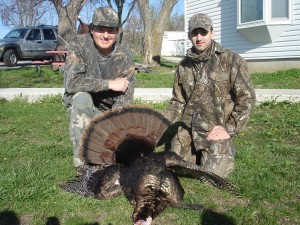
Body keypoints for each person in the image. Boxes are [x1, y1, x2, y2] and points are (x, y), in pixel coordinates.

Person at [165, 13, 256, 178]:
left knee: (214, 175)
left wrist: (228, 129)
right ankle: (196, 154)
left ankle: (224, 147)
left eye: (203, 32)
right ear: (189, 35)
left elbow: (247, 99)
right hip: (189, 130)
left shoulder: (232, 60)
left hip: (215, 131)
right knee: (173, 166)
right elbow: (178, 101)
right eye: (194, 33)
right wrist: (160, 123)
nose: (199, 37)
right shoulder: (183, 66)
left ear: (212, 33)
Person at [63, 7, 136, 169]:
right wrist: (109, 84)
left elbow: (124, 100)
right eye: (100, 29)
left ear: (117, 32)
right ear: (92, 29)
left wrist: (114, 129)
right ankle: (83, 165)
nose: (105, 35)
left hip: (108, 112)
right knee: (82, 97)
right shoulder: (78, 44)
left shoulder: (124, 56)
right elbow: (72, 83)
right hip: (83, 107)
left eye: (111, 30)